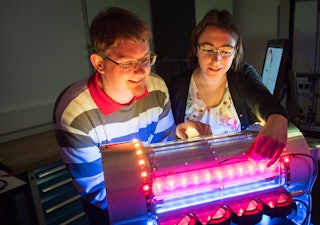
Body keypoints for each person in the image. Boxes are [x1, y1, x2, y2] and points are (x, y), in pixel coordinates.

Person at [53, 7, 210, 225]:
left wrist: (177, 134)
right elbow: (98, 193)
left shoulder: (156, 87)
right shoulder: (76, 114)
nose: (141, 72)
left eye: (146, 59)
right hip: (111, 213)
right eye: (127, 63)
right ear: (99, 63)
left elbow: (161, 154)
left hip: (156, 200)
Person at [168, 9, 288, 167]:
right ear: (196, 48)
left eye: (225, 51)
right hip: (192, 177)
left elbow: (265, 101)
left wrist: (277, 119)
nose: (217, 59)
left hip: (236, 175)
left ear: (235, 51)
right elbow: (163, 139)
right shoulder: (178, 85)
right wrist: (178, 130)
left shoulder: (242, 75)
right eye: (208, 49)